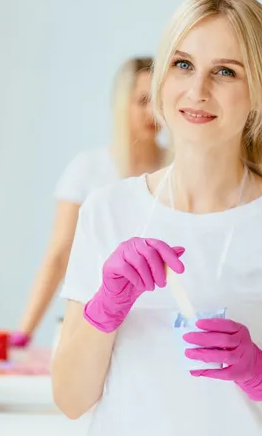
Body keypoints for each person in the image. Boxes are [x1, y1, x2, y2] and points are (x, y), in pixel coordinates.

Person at [51, 0, 262, 436]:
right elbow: (70, 398)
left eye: (225, 71)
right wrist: (106, 307)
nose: (197, 90)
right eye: (183, 65)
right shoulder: (107, 211)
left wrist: (260, 372)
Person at [11, 56, 169, 347]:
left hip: (160, 329)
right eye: (142, 101)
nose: (153, 112)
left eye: (159, 101)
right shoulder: (87, 169)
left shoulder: (177, 169)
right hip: (94, 327)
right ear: (121, 104)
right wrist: (24, 332)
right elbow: (59, 255)